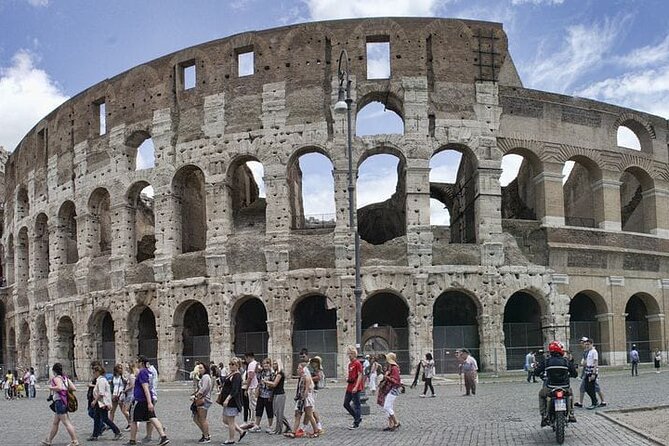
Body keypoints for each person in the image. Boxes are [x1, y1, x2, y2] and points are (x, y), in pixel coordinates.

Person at [126, 356, 169, 446]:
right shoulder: (149, 372)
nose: (136, 363)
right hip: (147, 399)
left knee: (133, 420)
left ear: (141, 363)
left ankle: (132, 440)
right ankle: (163, 437)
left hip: (140, 399)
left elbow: (145, 388)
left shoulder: (142, 373)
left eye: (137, 362)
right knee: (152, 417)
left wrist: (149, 402)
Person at [534, 340, 578, 426]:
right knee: (571, 395)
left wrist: (539, 373)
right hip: (565, 387)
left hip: (550, 387)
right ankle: (571, 413)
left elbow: (536, 372)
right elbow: (575, 374)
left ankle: (543, 415)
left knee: (541, 395)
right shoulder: (566, 361)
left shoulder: (546, 361)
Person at [41, 362, 79, 446]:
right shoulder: (65, 378)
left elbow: (59, 387)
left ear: (54, 371)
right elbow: (74, 388)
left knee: (66, 422)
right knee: (55, 423)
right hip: (64, 402)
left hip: (59, 402)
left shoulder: (56, 379)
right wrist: (66, 389)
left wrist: (50, 387)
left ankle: (75, 441)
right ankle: (49, 440)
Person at [89, 364, 123, 441]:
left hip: (102, 403)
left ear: (98, 372)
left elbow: (101, 393)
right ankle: (95, 435)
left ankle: (117, 432)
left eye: (94, 372)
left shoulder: (101, 381)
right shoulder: (100, 380)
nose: (93, 374)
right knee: (97, 418)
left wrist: (94, 401)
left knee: (105, 419)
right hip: (100, 403)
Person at [574, 338, 607, 408]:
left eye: (587, 344)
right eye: (585, 344)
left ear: (591, 344)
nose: (585, 345)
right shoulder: (587, 351)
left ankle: (597, 402)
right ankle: (588, 402)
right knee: (586, 387)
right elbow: (585, 362)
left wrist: (594, 373)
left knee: (592, 388)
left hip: (591, 373)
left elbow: (595, 363)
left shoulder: (593, 351)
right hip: (587, 372)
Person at [220, 357, 246, 445]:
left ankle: (231, 439)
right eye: (230, 364)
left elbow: (235, 390)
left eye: (233, 364)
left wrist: (227, 399)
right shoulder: (232, 373)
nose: (231, 366)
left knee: (230, 421)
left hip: (232, 402)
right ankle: (240, 431)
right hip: (228, 401)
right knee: (225, 420)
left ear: (238, 365)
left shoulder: (237, 375)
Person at [248, 358, 274, 433]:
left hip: (268, 394)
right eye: (264, 363)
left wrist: (271, 395)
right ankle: (257, 425)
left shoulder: (272, 373)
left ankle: (270, 426)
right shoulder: (261, 372)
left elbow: (273, 384)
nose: (265, 365)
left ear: (270, 364)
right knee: (259, 410)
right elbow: (256, 373)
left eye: (267, 363)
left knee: (269, 410)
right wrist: (257, 365)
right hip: (261, 393)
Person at [265, 358, 291, 435]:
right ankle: (287, 426)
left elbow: (274, 384)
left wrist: (266, 381)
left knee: (278, 412)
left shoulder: (280, 373)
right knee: (277, 412)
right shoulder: (276, 373)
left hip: (280, 394)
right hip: (276, 394)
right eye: (273, 363)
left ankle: (278, 430)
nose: (274, 365)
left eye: (276, 363)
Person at [379, 352, 402, 431]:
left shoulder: (394, 368)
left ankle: (396, 422)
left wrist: (387, 377)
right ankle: (390, 425)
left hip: (393, 389)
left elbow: (396, 381)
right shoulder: (390, 367)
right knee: (389, 406)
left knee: (387, 406)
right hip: (389, 389)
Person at [190, 362, 212, 443]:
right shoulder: (203, 377)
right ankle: (205, 433)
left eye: (201, 368)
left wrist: (196, 396)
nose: (199, 369)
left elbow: (204, 389)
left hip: (203, 400)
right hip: (201, 399)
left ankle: (206, 436)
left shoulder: (206, 377)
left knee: (202, 419)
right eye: (199, 368)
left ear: (205, 369)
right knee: (196, 418)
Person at [343, 345, 363, 430]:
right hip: (350, 385)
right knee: (346, 404)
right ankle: (357, 417)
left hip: (355, 387)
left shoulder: (357, 363)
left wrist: (356, 386)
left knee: (356, 404)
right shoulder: (350, 364)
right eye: (348, 354)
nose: (349, 355)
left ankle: (356, 422)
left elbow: (360, 375)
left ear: (354, 354)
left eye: (351, 353)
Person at [110, 364, 131, 431]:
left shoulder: (123, 377)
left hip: (121, 395)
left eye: (121, 368)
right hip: (114, 395)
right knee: (112, 410)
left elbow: (127, 383)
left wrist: (124, 392)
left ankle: (130, 423)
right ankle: (110, 424)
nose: (120, 369)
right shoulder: (114, 377)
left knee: (124, 410)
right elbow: (113, 386)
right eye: (119, 368)